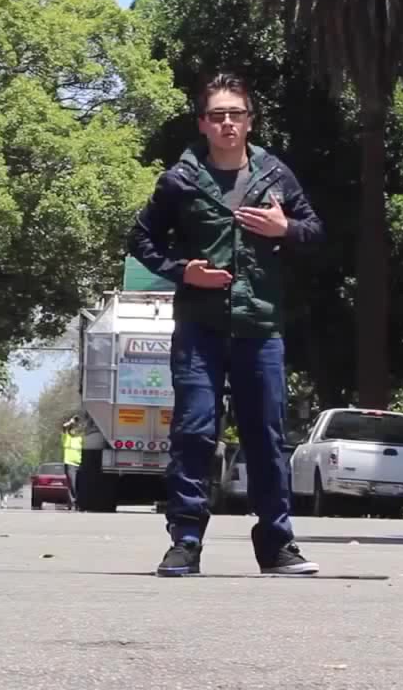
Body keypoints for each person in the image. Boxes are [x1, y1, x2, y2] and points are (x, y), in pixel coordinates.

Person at [126, 72, 325, 577]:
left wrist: (285, 228)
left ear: (250, 121)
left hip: (261, 327)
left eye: (236, 114)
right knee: (194, 432)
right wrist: (183, 271)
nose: (228, 123)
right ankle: (186, 540)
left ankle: (277, 544)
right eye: (218, 116)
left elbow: (315, 231)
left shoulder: (275, 175)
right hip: (200, 328)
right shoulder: (181, 180)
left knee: (266, 437)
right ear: (202, 123)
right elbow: (141, 239)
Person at [61, 417, 82, 508]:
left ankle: (77, 501)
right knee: (72, 484)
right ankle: (75, 501)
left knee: (79, 485)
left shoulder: (80, 438)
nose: (74, 431)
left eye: (75, 429)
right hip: (70, 464)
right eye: (72, 429)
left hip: (79, 464)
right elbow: (64, 427)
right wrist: (70, 422)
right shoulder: (66, 437)